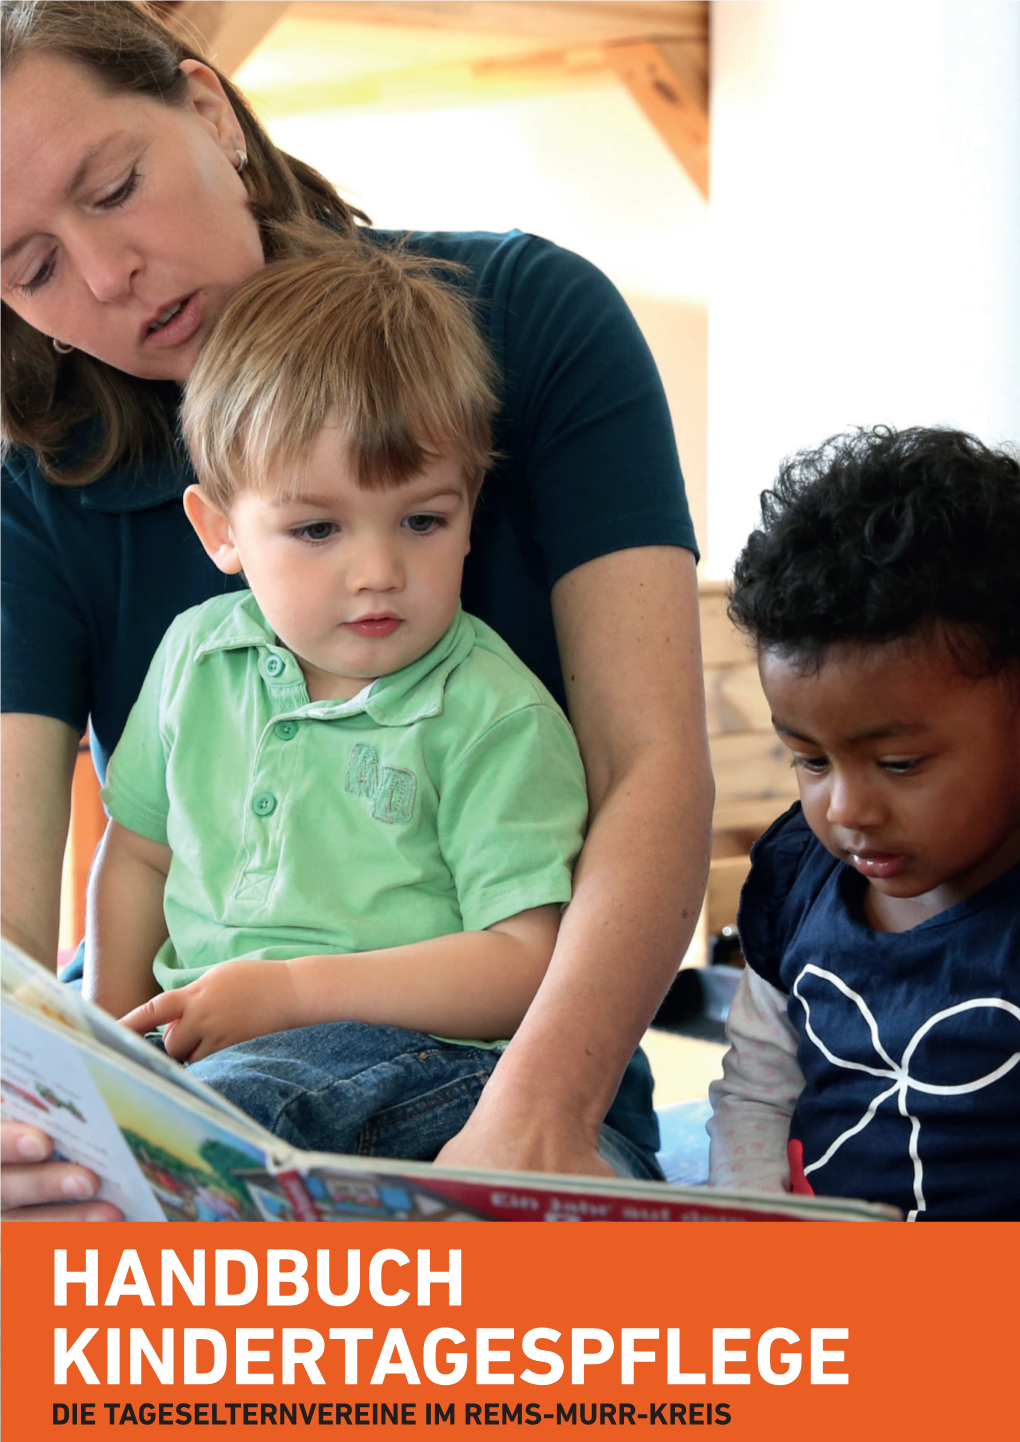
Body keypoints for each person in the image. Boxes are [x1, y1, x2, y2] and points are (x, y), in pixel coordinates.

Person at [0, 0, 712, 1218]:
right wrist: (53, 1112)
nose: (110, 274)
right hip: (183, 1050)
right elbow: (23, 919)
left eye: (114, 187)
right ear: (216, 527)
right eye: (33, 266)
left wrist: (535, 1115)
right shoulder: (40, 490)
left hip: (515, 1058)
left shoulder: (531, 320)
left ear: (209, 110)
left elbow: (652, 767)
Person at [86, 243, 592, 1164]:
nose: (378, 573)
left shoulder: (489, 712)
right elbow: (138, 857)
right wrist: (108, 1045)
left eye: (422, 521)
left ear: (470, 510)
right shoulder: (196, 656)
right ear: (220, 530)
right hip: (212, 1049)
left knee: (217, 1125)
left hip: (434, 1059)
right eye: (317, 529)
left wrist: (289, 996)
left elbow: (527, 965)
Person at [707, 427, 1020, 1221]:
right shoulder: (798, 881)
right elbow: (755, 1090)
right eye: (809, 760)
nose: (845, 810)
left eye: (901, 764)